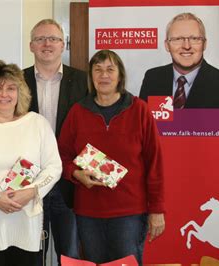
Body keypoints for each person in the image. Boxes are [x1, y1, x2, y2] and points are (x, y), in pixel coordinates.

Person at [58, 50, 165, 264]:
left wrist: (157, 210)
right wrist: (75, 174)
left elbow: (155, 163)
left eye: (110, 69)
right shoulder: (77, 112)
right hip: (88, 213)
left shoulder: (140, 110)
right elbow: (61, 155)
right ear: (91, 76)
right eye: (97, 70)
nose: (103, 75)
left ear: (120, 76)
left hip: (130, 213)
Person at [0, 60, 62, 266]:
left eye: (11, 88)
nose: (4, 94)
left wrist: (32, 191)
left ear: (20, 92)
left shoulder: (37, 123)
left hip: (27, 226)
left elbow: (54, 167)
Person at [23, 19, 88, 264]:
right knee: (31, 254)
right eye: (40, 39)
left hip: (69, 184)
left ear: (63, 45)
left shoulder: (85, 81)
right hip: (29, 182)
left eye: (53, 39)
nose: (47, 44)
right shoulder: (17, 82)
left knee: (70, 254)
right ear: (31, 45)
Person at [139, 12, 219, 108]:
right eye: (178, 39)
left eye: (194, 38)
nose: (186, 46)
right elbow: (143, 121)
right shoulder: (152, 79)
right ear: (167, 45)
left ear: (204, 44)